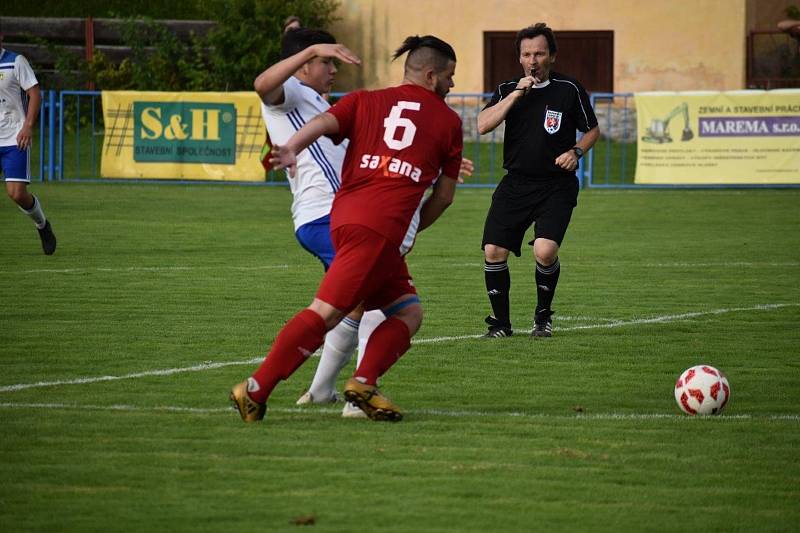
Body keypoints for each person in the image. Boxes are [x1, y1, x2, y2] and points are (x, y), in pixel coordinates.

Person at [231, 34, 463, 423]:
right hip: (379, 228)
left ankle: (362, 383)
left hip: (345, 216)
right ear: (430, 75)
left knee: (408, 312)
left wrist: (292, 147)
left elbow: (323, 124)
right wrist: (412, 226)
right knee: (328, 311)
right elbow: (444, 198)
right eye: (450, 77)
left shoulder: (365, 99)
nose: (453, 85)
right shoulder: (448, 121)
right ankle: (256, 388)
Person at [254, 27, 372, 418]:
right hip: (321, 215)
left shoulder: (315, 100)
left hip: (338, 215)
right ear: (304, 64)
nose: (333, 68)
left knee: (346, 305)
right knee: (375, 292)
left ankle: (321, 391)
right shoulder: (287, 94)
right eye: (326, 60)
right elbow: (262, 84)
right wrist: (310, 50)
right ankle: (361, 395)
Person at [478, 23, 599, 338]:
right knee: (493, 251)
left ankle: (542, 318)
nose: (533, 61)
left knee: (544, 251)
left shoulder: (569, 89)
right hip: (516, 183)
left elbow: (592, 130)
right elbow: (482, 125)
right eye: (527, 54)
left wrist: (576, 151)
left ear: (552, 56)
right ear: (520, 58)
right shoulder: (507, 90)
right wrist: (517, 93)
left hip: (556, 184)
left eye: (540, 54)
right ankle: (501, 325)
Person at [0, 29, 56, 254]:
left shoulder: (15, 62)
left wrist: (28, 126)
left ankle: (42, 225)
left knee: (16, 193)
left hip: (14, 137)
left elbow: (34, 93)